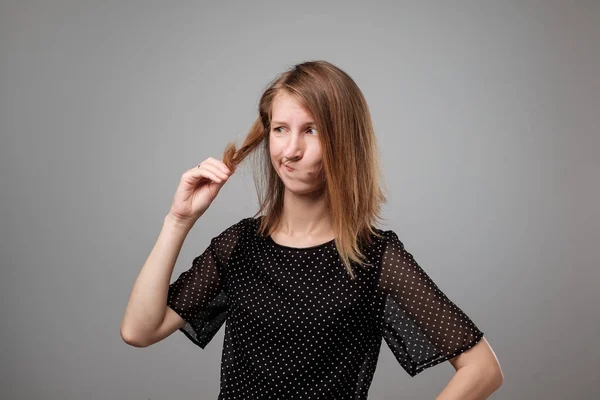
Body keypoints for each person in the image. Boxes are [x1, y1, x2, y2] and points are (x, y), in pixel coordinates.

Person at [120, 60, 503, 399]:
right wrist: (179, 220)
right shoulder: (241, 245)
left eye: (312, 131)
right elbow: (140, 330)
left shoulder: (375, 258)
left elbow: (483, 370)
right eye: (281, 129)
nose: (290, 150)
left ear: (344, 142)